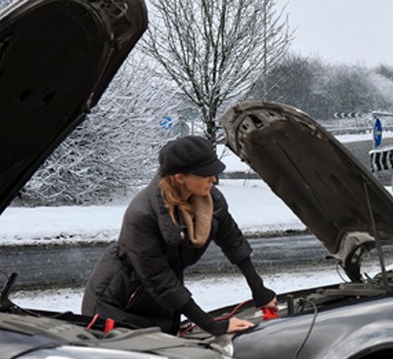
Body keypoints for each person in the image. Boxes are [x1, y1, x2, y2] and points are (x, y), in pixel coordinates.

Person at [82, 135, 276, 335]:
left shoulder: (210, 200)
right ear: (180, 177)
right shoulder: (142, 214)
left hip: (161, 304)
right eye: (205, 173)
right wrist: (213, 326)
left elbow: (233, 241)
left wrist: (259, 290)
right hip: (117, 306)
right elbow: (159, 279)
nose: (214, 179)